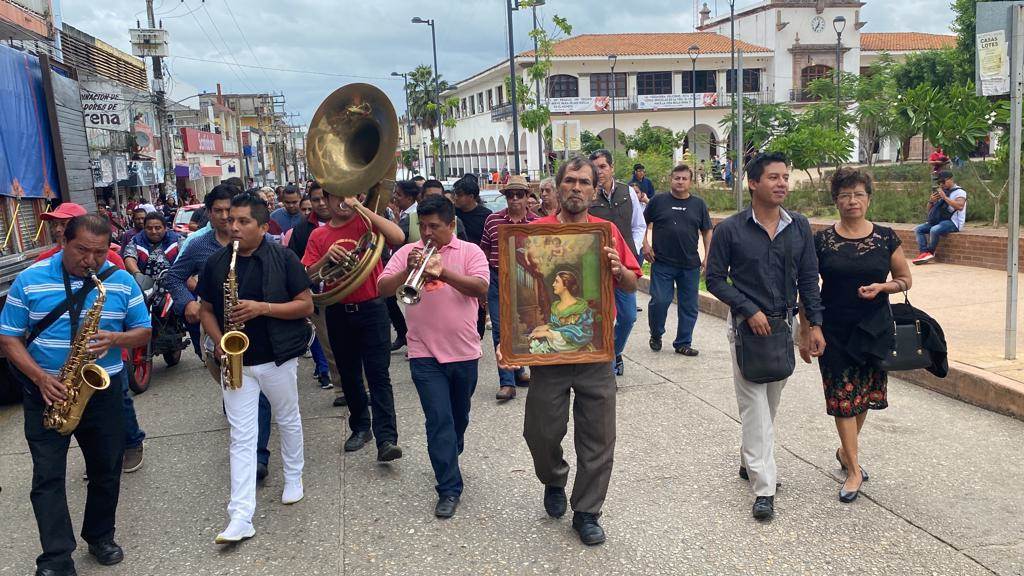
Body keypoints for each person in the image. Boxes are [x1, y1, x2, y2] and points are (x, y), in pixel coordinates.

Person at [0, 214, 151, 576]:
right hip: (47, 390)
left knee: (106, 469)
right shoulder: (30, 280)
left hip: (103, 390)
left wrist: (117, 339)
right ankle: (56, 558)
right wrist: (38, 377)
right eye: (82, 250)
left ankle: (100, 536)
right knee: (47, 478)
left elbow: (144, 331)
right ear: (63, 241)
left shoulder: (119, 282)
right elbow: (8, 338)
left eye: (100, 253)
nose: (91, 260)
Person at [501, 156, 640, 546]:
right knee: (540, 432)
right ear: (557, 188)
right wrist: (509, 339)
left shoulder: (607, 231)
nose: (576, 188)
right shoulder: (532, 234)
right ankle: (553, 477)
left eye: (584, 182)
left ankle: (588, 511)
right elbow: (514, 289)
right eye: (570, 181)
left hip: (596, 353)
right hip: (549, 358)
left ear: (595, 190)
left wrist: (619, 269)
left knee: (599, 437)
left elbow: (631, 284)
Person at [705, 152, 826, 522]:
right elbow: (713, 278)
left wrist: (813, 325)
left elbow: (808, 278)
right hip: (746, 329)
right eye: (773, 177)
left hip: (783, 327)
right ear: (753, 183)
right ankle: (764, 488)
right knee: (754, 405)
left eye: (785, 177)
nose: (782, 184)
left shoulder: (800, 226)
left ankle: (749, 460)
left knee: (770, 403)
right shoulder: (730, 229)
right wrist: (748, 309)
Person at [198, 193, 312, 544]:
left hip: (276, 357)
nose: (233, 226)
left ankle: (294, 476)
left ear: (263, 227)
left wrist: (263, 308)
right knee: (241, 436)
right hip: (237, 361)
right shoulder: (217, 262)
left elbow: (306, 304)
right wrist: (219, 343)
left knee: (287, 417)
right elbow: (205, 310)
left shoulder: (284, 257)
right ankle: (240, 515)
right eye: (231, 219)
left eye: (243, 221)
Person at [801, 168, 913, 503]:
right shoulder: (821, 241)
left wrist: (885, 286)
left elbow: (905, 279)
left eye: (859, 194)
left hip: (874, 328)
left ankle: (844, 452)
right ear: (835, 200)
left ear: (868, 198)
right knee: (842, 399)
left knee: (862, 396)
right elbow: (808, 288)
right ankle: (854, 470)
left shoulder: (886, 237)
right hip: (833, 328)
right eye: (845, 195)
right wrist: (807, 329)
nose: (852, 201)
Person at [378, 195, 489, 518]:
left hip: (464, 352)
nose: (427, 233)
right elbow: (384, 288)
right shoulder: (406, 253)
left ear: (451, 225)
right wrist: (408, 271)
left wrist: (443, 273)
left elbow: (480, 287)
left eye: (434, 227)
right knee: (438, 419)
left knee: (458, 418)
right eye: (422, 226)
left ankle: (450, 453)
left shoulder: (470, 252)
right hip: (424, 354)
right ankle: (449, 488)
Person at [302, 187, 406, 460]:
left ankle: (387, 438)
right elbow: (309, 275)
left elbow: (398, 237)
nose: (343, 201)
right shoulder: (319, 235)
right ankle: (361, 427)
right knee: (348, 374)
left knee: (378, 375)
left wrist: (361, 207)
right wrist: (327, 257)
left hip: (372, 308)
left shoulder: (366, 222)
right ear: (327, 199)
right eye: (337, 196)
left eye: (349, 194)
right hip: (337, 309)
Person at [479, 175, 538, 401]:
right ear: (506, 197)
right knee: (501, 329)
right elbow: (484, 249)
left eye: (519, 194)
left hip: (525, 279)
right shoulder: (492, 220)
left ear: (526, 197)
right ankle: (507, 382)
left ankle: (520, 370)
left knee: (525, 326)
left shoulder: (535, 223)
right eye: (510, 195)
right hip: (497, 277)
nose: (514, 199)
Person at [642, 164, 712, 356]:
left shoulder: (699, 204)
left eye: (684, 178)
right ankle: (656, 333)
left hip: (690, 265)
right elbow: (641, 223)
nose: (680, 181)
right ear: (670, 179)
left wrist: (708, 255)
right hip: (662, 263)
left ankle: (683, 342)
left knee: (689, 306)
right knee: (660, 301)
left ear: (690, 182)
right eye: (677, 178)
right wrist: (645, 245)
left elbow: (707, 230)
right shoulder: (658, 201)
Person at [588, 149, 646, 377]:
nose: (599, 171)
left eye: (602, 166)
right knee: (601, 318)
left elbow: (638, 224)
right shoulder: (589, 195)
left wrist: (635, 248)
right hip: (595, 267)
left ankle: (614, 351)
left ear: (611, 168)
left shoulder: (627, 192)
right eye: (595, 168)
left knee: (629, 316)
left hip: (623, 264)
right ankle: (606, 368)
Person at [285, 183, 343, 397]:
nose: (320, 203)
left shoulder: (349, 221)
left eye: (323, 198)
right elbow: (295, 266)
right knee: (329, 346)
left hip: (350, 292)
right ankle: (340, 389)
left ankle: (363, 387)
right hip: (320, 294)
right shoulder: (301, 230)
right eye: (315, 199)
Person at [453, 176, 492, 339]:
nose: (456, 198)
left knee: (479, 303)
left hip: (479, 266)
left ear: (471, 196)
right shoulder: (451, 215)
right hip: (456, 264)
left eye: (460, 194)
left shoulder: (486, 216)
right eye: (455, 194)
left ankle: (477, 335)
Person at [37, 203, 125, 270]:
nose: (57, 229)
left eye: (63, 224)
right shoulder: (43, 260)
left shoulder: (112, 259)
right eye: (54, 224)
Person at [528, 271, 595, 353]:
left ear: (565, 285)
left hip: (577, 352)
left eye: (556, 281)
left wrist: (549, 334)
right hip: (558, 350)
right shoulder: (555, 306)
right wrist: (547, 326)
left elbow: (582, 334)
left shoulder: (581, 308)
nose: (553, 284)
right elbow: (557, 326)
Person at [912, 171, 967, 264]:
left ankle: (930, 252)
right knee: (918, 229)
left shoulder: (960, 192)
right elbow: (929, 211)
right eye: (939, 183)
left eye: (943, 182)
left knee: (934, 230)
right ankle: (924, 253)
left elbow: (960, 206)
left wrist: (944, 197)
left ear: (950, 179)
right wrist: (931, 201)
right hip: (939, 220)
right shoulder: (942, 192)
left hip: (953, 222)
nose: (941, 184)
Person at [122, 212, 182, 279]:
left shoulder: (176, 239)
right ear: (144, 228)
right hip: (146, 284)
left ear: (165, 228)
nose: (153, 231)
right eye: (149, 228)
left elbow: (187, 257)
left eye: (158, 228)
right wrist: (138, 275)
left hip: (174, 281)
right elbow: (129, 257)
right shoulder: (137, 240)